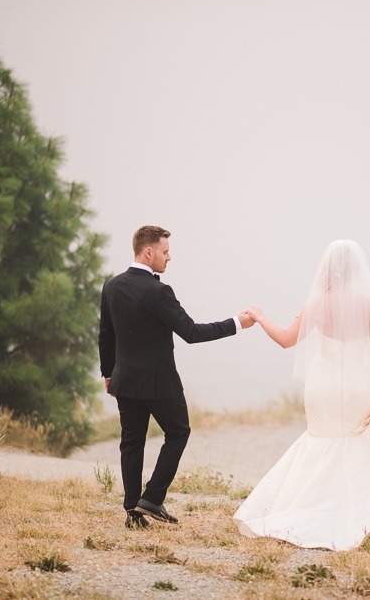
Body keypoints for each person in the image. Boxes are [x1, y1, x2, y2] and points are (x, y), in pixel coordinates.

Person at [233, 239, 370, 550]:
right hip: (359, 385)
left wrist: (261, 316)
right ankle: (358, 509)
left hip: (323, 386)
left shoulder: (317, 304)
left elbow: (285, 340)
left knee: (320, 440)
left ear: (328, 270)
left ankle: (307, 504)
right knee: (355, 440)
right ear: (358, 269)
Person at [99, 225, 254, 529]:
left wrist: (108, 372)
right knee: (179, 432)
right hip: (159, 383)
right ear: (149, 252)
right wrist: (237, 323)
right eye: (165, 251)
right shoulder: (158, 291)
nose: (169, 258)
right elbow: (192, 333)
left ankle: (133, 511)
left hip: (125, 380)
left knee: (131, 442)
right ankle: (152, 497)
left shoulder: (112, 286)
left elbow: (106, 334)